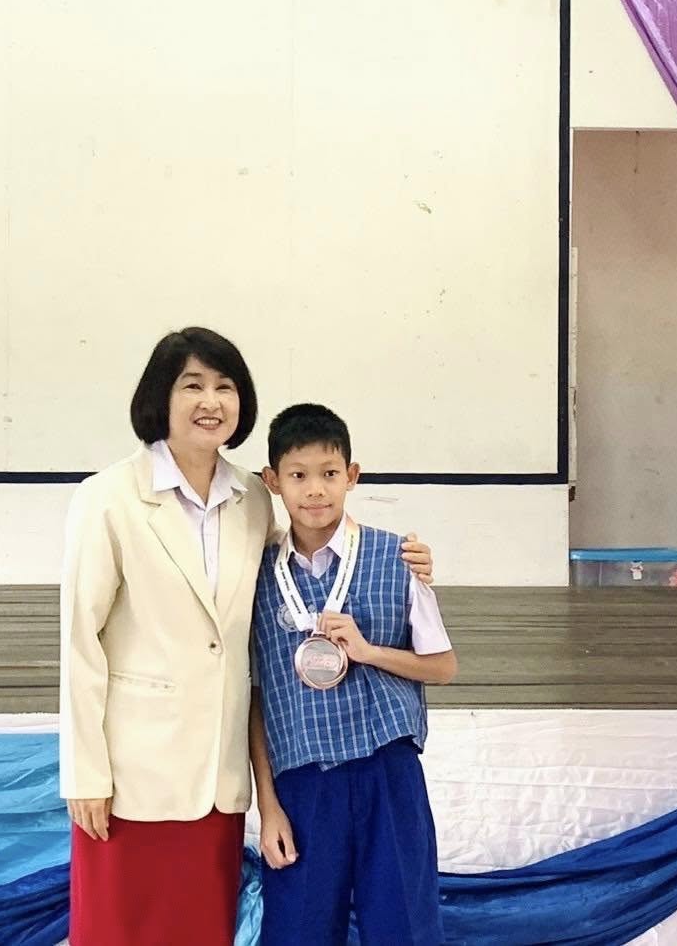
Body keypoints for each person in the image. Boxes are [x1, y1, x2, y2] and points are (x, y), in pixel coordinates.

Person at [59, 328, 433, 946]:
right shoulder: (107, 499)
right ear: (160, 397)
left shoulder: (253, 498)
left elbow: (307, 556)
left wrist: (403, 557)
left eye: (225, 387)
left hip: (219, 776)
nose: (211, 401)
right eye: (193, 386)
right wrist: (85, 775)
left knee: (205, 929)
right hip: (133, 772)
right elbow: (80, 642)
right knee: (119, 928)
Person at [250, 403, 457, 946]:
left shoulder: (398, 557)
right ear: (272, 481)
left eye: (329, 473)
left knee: (405, 928)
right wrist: (267, 805)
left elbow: (443, 666)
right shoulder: (255, 575)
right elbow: (256, 696)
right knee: (297, 932)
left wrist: (368, 652)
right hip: (302, 781)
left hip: (387, 770)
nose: (315, 490)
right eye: (298, 475)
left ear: (352, 476)